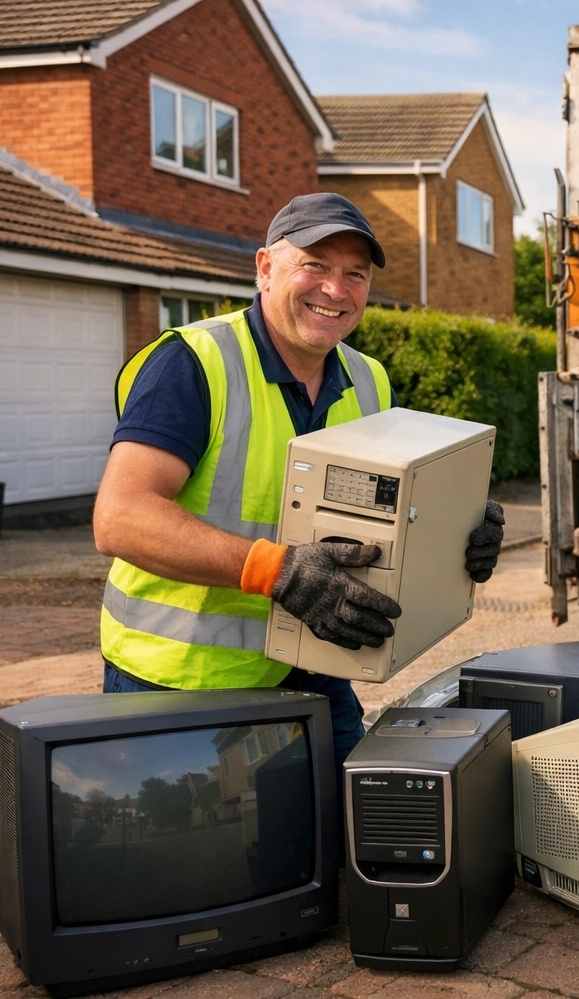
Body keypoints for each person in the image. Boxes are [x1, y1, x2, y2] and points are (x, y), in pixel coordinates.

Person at [93, 193, 505, 766]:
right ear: (265, 267)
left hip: (314, 668)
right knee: (207, 855)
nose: (335, 290)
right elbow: (120, 518)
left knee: (351, 846)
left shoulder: (369, 381)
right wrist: (277, 569)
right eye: (314, 265)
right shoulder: (194, 363)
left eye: (354, 274)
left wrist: (455, 533)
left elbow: (387, 515)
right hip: (178, 686)